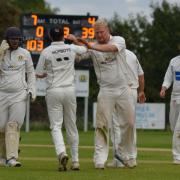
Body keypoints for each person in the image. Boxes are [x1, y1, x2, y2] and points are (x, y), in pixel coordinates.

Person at [67, 19, 136, 169]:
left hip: (124, 88)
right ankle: (99, 160)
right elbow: (81, 53)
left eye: (101, 32)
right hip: (105, 90)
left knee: (129, 124)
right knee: (102, 125)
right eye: (96, 32)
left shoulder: (119, 40)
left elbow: (110, 48)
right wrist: (73, 43)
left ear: (108, 30)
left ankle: (124, 153)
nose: (99, 35)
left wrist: (90, 45)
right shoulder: (92, 47)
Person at [36, 27, 87, 171]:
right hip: (70, 90)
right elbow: (86, 49)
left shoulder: (46, 52)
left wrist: (47, 73)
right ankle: (76, 160)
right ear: (64, 36)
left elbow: (39, 73)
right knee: (72, 125)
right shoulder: (71, 48)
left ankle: (61, 152)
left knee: (56, 126)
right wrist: (75, 40)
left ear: (50, 37)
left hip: (54, 90)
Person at [0, 27, 36, 167]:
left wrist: (32, 89)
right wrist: (0, 54)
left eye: (17, 39)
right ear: (7, 39)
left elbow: (31, 72)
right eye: (12, 39)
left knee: (13, 125)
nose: (15, 41)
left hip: (19, 94)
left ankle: (12, 158)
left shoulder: (25, 53)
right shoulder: (1, 52)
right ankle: (3, 157)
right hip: (2, 93)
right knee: (1, 127)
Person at [108, 49, 146, 168]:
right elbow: (141, 75)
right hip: (132, 91)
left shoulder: (109, 53)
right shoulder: (132, 54)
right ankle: (131, 157)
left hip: (118, 91)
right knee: (130, 125)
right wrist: (141, 91)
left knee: (116, 125)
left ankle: (119, 159)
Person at [160, 55, 180, 165]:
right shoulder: (173, 61)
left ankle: (177, 157)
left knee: (179, 129)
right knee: (173, 128)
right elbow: (168, 77)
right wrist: (164, 88)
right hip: (175, 97)